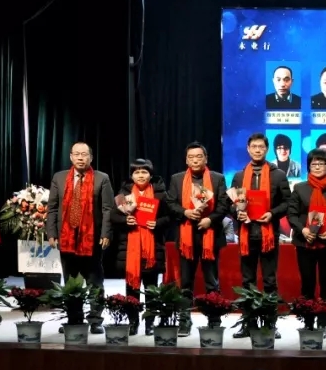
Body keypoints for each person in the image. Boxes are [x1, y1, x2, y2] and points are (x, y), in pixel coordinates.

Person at [46, 141, 114, 334]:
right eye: (77, 154)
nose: (80, 158)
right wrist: (51, 233)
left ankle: (95, 320)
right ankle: (74, 319)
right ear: (71, 157)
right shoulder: (59, 178)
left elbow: (107, 209)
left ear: (91, 157)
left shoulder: (102, 178)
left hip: (91, 240)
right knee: (71, 282)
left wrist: (106, 233)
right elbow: (52, 208)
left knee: (95, 282)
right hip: (67, 239)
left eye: (84, 154)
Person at [230, 133, 291, 339]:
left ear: (267, 149)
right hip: (246, 236)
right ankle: (248, 324)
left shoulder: (278, 175)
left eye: (261, 147)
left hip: (268, 235)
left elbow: (287, 203)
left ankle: (270, 324)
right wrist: (237, 212)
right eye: (254, 146)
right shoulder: (239, 176)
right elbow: (231, 203)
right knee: (247, 281)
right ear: (248, 149)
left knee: (269, 281)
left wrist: (272, 214)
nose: (257, 150)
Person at [166, 141, 228, 336]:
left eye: (199, 156)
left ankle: (214, 320)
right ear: (186, 160)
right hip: (187, 238)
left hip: (210, 235)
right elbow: (170, 203)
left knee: (212, 282)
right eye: (191, 157)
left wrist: (210, 219)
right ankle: (184, 321)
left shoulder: (217, 178)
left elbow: (224, 205)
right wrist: (185, 212)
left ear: (206, 159)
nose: (195, 160)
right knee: (185, 282)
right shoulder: (177, 179)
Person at [286, 148, 326, 337]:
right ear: (308, 166)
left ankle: (322, 323)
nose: (317, 167)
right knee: (308, 282)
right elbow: (292, 214)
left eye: (322, 163)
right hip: (305, 243)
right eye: (314, 164)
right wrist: (302, 230)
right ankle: (308, 322)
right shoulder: (299, 188)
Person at [110, 158, 170, 336]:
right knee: (132, 288)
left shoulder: (160, 194)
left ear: (151, 175)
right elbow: (113, 216)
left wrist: (157, 223)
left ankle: (150, 323)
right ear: (132, 175)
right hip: (130, 248)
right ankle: (133, 322)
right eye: (137, 172)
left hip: (153, 248)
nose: (141, 175)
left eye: (144, 172)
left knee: (151, 288)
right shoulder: (124, 194)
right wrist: (125, 220)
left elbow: (170, 217)